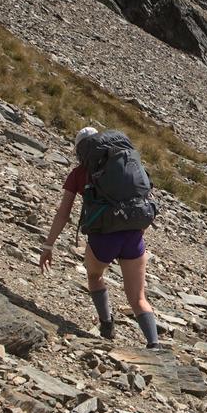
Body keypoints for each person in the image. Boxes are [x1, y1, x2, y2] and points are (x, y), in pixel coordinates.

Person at [39, 127, 160, 348]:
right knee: (138, 298)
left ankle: (106, 324)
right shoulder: (127, 166)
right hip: (133, 237)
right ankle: (154, 344)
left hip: (103, 237)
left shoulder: (79, 173)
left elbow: (63, 213)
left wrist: (48, 245)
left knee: (94, 276)